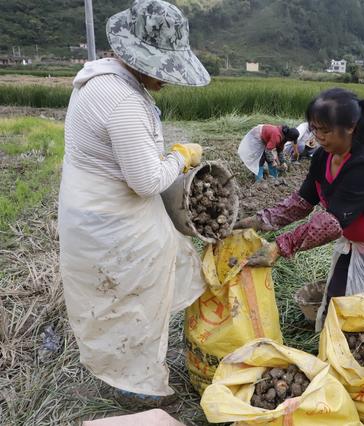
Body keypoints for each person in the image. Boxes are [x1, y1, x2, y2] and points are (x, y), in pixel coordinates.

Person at [58, 0, 211, 409]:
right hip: (112, 222)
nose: (167, 78)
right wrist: (181, 156)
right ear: (137, 58)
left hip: (93, 213)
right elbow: (146, 181)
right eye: (162, 68)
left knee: (120, 304)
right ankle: (139, 389)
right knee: (133, 305)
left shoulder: (99, 81)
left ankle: (131, 374)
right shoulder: (122, 101)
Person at [235, 88, 364, 329]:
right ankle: (335, 350)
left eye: (326, 130)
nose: (319, 137)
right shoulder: (323, 157)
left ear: (351, 126)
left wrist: (280, 247)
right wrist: (259, 221)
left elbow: (332, 222)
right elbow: (302, 201)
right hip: (355, 240)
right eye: (314, 129)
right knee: (338, 298)